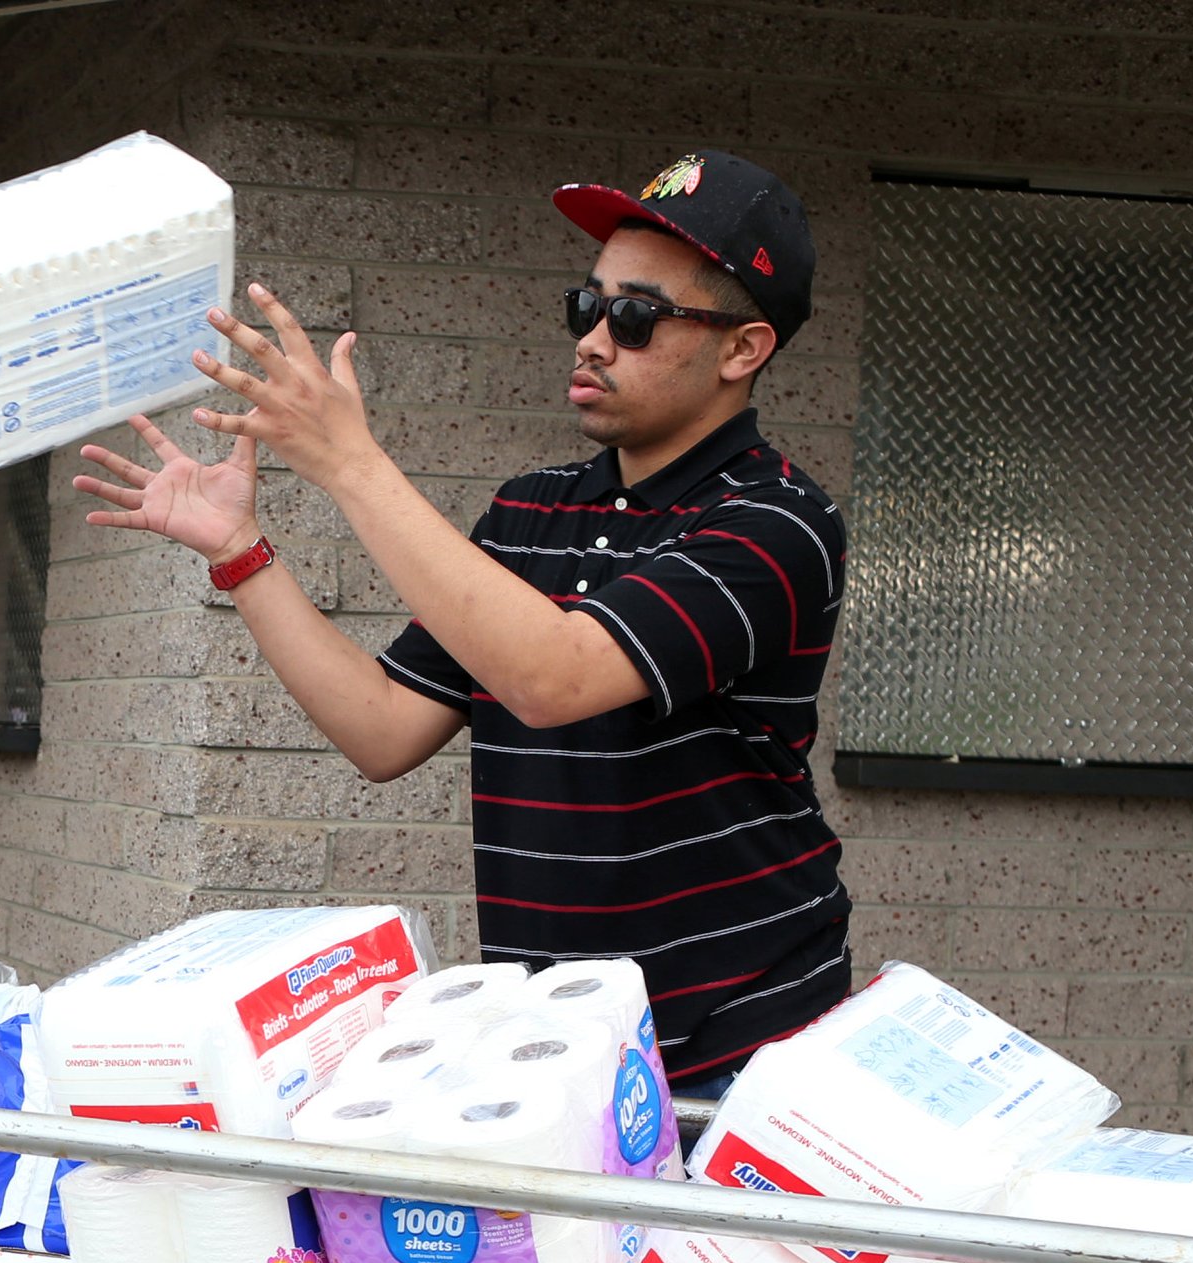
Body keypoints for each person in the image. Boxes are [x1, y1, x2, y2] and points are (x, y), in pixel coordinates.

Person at [77, 150, 849, 1089]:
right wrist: (242, 553)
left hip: (737, 1052)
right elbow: (382, 728)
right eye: (588, 304)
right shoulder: (531, 510)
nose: (595, 339)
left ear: (742, 349)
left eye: (637, 317)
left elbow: (554, 678)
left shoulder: (776, 522)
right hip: (556, 1048)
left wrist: (351, 462)